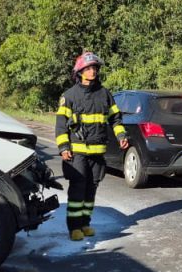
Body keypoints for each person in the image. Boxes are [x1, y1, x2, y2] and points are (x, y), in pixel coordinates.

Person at [54, 51, 128, 241]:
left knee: (91, 190)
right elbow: (61, 124)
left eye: (94, 68)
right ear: (80, 72)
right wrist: (64, 147)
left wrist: (121, 135)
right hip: (77, 152)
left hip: (97, 152)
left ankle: (85, 223)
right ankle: (74, 228)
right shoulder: (69, 96)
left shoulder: (104, 94)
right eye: (88, 68)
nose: (92, 71)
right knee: (78, 189)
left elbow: (116, 119)